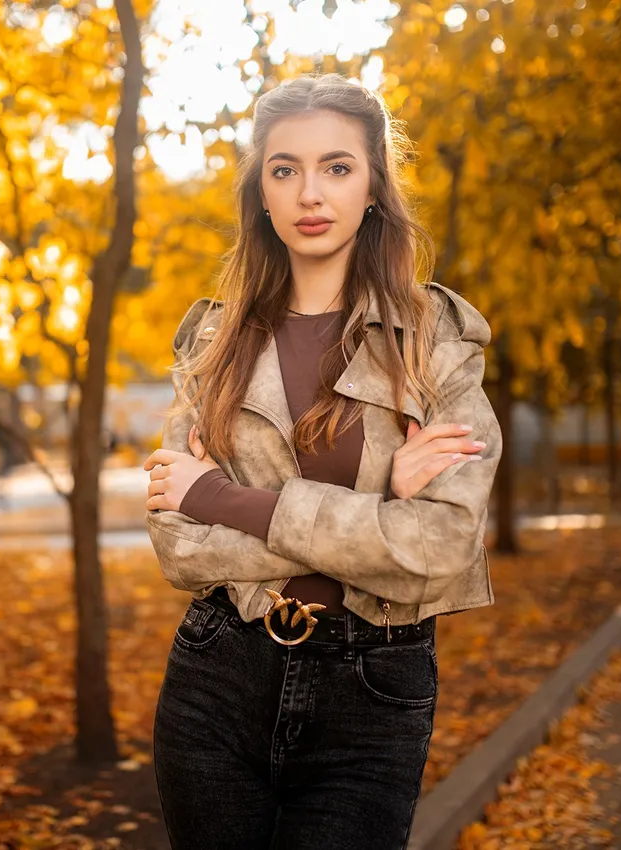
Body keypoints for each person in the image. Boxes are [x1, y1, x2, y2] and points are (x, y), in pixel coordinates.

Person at [141, 74, 503, 850]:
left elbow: (445, 548)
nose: (311, 191)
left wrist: (221, 496)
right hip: (216, 673)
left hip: (372, 690)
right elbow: (178, 543)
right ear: (261, 195)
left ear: (373, 185)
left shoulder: (433, 340)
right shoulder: (212, 342)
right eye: (285, 169)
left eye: (337, 167)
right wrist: (383, 510)